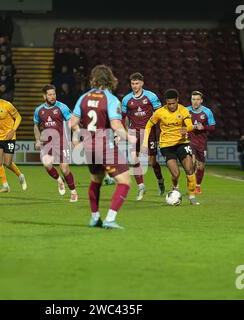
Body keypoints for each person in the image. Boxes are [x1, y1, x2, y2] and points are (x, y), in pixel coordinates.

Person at [70, 65, 137, 229]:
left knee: (96, 180)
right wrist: (129, 137)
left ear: (94, 79)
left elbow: (71, 122)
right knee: (125, 181)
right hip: (104, 145)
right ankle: (110, 218)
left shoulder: (83, 97)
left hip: (88, 146)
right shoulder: (111, 99)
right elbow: (115, 125)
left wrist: (78, 134)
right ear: (110, 79)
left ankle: (95, 218)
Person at [142, 89, 200, 205]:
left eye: (173, 103)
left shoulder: (183, 110)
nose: (171, 106)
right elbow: (148, 125)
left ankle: (192, 196)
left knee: (189, 169)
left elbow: (190, 125)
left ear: (177, 100)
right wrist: (144, 143)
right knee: (175, 174)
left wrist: (187, 129)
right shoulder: (160, 112)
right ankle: (175, 186)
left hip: (182, 143)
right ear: (166, 102)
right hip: (166, 145)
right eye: (169, 104)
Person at [121, 72, 165, 200]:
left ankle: (160, 181)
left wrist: (161, 129)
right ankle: (141, 187)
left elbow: (160, 113)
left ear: (142, 83)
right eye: (132, 83)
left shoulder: (151, 96)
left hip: (148, 132)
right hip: (133, 132)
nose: (134, 86)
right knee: (134, 159)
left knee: (152, 161)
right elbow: (122, 117)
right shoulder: (126, 99)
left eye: (137, 83)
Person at [33, 84, 78, 202]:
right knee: (47, 165)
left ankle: (73, 192)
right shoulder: (39, 110)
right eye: (50, 95)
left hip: (62, 142)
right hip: (47, 143)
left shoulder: (62, 107)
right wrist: (37, 139)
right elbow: (36, 126)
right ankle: (59, 180)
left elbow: (72, 122)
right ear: (44, 96)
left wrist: (75, 137)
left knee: (64, 169)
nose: (53, 97)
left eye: (54, 94)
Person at [0, 84, 27, 192]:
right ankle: (5, 186)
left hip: (9, 137)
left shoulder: (7, 105)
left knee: (7, 163)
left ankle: (20, 176)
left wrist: (13, 130)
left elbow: (18, 117)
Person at [187, 91, 215, 194]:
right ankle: (191, 186)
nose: (195, 102)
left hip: (201, 142)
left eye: (197, 99)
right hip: (189, 140)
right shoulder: (186, 110)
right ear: (191, 100)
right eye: (193, 99)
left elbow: (212, 127)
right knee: (192, 162)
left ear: (201, 100)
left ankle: (198, 186)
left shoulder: (207, 112)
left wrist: (204, 127)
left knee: (200, 166)